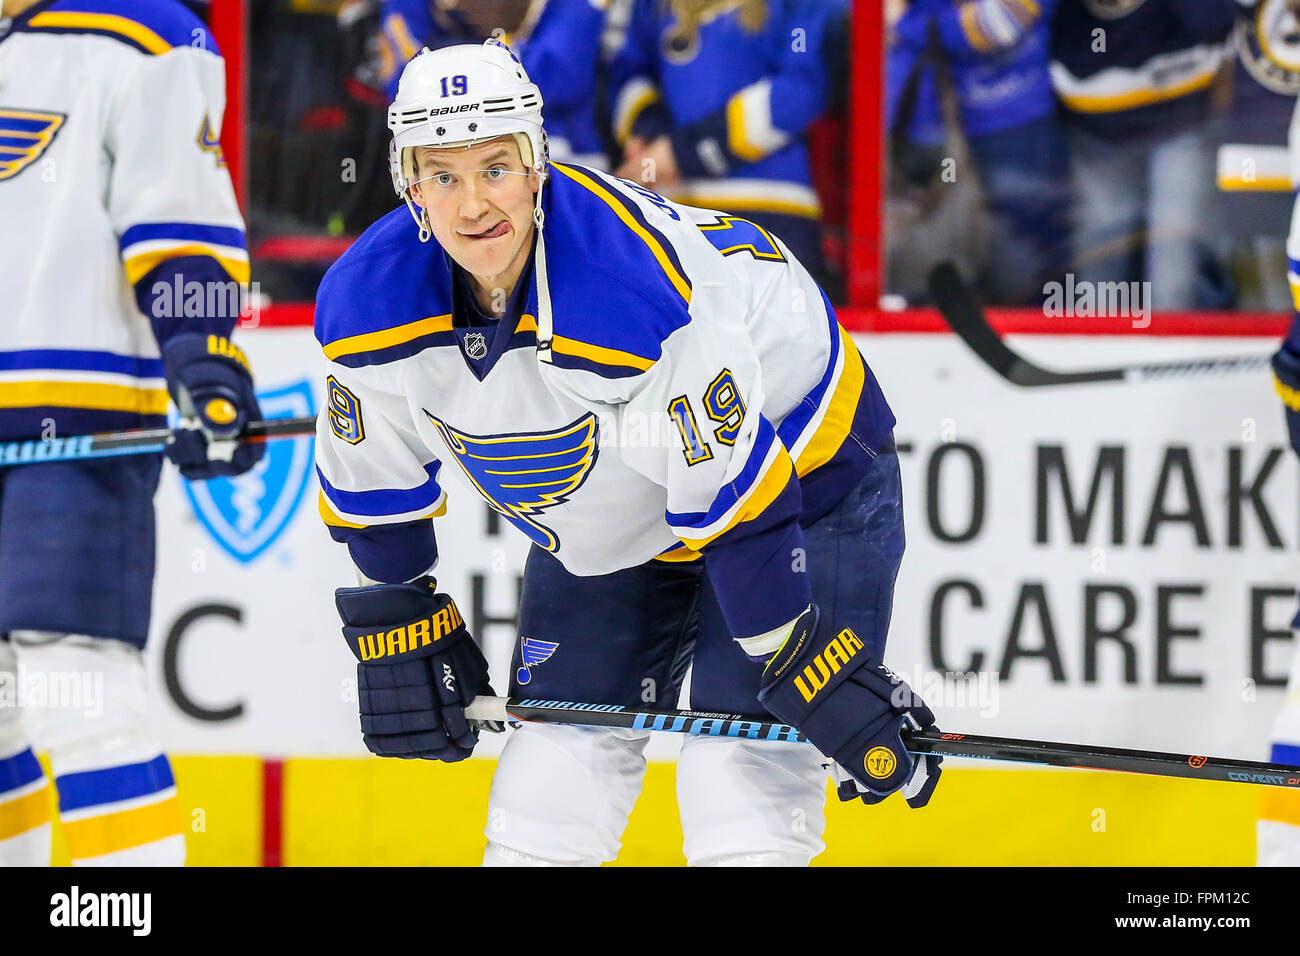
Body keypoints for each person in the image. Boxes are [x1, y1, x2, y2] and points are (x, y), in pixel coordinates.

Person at [315, 38, 942, 867]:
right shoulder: (366, 304)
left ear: (539, 165)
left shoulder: (631, 297)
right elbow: (376, 487)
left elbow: (739, 510)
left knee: (739, 781)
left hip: (797, 471)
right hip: (620, 503)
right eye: (444, 176)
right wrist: (397, 617)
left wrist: (809, 665)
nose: (473, 205)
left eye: (496, 168)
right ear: (409, 188)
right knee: (549, 781)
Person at [0, 0, 263, 865]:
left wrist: (206, 362)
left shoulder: (145, 32)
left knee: (81, 697)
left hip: (72, 428)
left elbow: (178, 217)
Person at [606, 0, 847, 292]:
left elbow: (802, 88)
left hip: (771, 210)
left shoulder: (801, 8)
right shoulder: (651, 6)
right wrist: (645, 130)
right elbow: (629, 68)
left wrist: (682, 153)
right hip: (671, 207)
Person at [376, 0, 609, 167]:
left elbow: (561, 76)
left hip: (564, 153)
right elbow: (408, 87)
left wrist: (490, 44)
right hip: (440, 156)